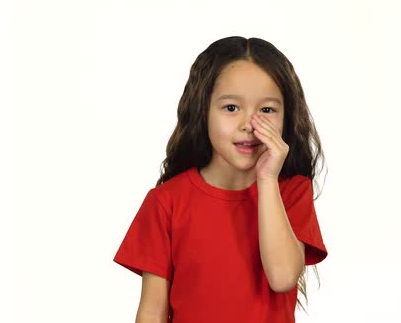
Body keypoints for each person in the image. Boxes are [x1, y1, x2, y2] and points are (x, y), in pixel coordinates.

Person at [113, 36, 329, 323]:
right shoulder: (166, 201)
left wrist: (266, 181)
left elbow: (282, 277)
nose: (248, 125)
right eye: (231, 108)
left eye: (267, 110)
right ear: (203, 111)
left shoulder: (290, 191)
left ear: (286, 119)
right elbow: (152, 312)